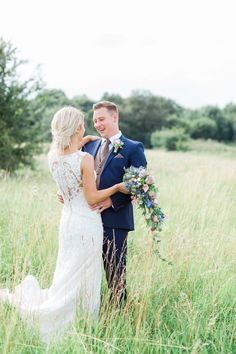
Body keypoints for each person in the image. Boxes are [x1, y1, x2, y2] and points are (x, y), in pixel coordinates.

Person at [0, 106, 128, 344]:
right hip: (86, 224)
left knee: (66, 271)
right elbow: (92, 198)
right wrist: (117, 188)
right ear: (76, 127)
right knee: (85, 274)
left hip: (67, 221)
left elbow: (69, 169)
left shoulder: (54, 156)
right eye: (82, 124)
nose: (85, 127)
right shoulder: (85, 159)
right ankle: (80, 320)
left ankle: (65, 312)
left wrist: (86, 140)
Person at [59, 101, 147, 307]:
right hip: (86, 220)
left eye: (102, 119)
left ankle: (118, 316)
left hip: (115, 222)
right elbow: (74, 173)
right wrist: (65, 191)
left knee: (115, 275)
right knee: (84, 274)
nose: (97, 124)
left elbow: (139, 185)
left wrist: (112, 201)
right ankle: (86, 311)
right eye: (95, 120)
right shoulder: (89, 145)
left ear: (114, 118)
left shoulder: (133, 148)